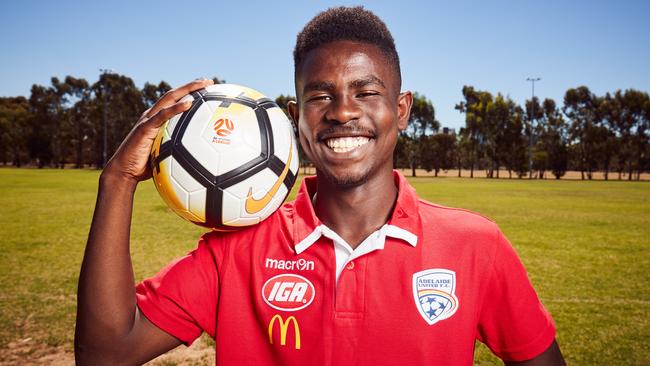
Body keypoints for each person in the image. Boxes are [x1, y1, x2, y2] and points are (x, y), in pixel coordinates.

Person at [75, 6, 566, 365]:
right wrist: (117, 181)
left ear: (401, 110)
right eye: (320, 96)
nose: (342, 112)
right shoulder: (239, 248)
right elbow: (105, 353)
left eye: (366, 92)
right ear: (296, 118)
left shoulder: (475, 245)